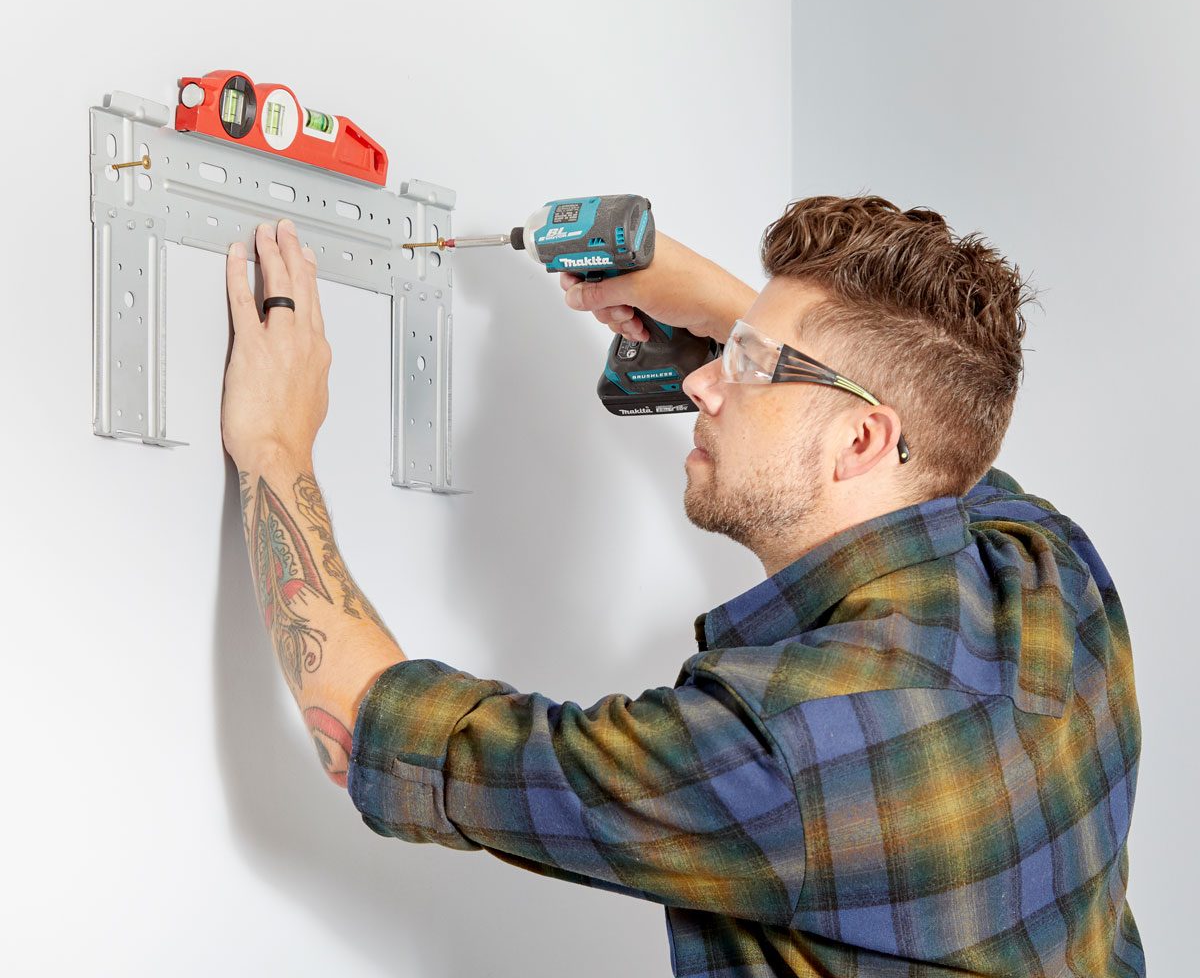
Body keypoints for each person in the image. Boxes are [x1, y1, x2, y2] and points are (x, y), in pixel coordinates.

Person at [221, 195, 1142, 978]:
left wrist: (274, 444)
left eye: (743, 364)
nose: (704, 381)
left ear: (860, 441)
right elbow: (938, 448)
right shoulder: (1054, 576)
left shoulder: (776, 752)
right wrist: (729, 310)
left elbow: (372, 725)